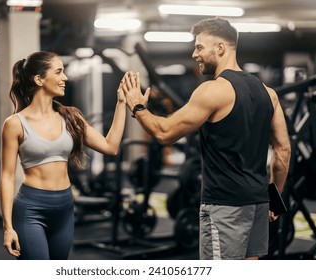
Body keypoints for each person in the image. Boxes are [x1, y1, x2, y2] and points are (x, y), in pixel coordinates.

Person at [120, 17, 291, 260]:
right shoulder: (269, 93)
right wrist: (274, 200)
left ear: (220, 48)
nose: (194, 54)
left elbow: (165, 133)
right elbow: (283, 151)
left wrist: (137, 107)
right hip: (258, 204)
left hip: (225, 206)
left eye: (199, 47)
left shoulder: (213, 90)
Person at [0, 51, 127, 260]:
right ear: (39, 79)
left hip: (65, 207)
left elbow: (110, 146)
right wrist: (8, 227)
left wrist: (121, 104)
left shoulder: (70, 117)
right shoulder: (14, 124)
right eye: (58, 72)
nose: (65, 77)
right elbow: (7, 176)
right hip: (31, 209)